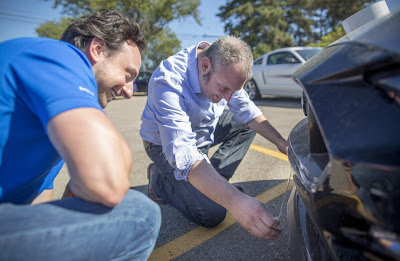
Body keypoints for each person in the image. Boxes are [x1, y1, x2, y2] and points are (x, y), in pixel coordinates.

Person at [0, 10, 161, 260]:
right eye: (127, 74)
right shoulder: (60, 57)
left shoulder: (57, 122)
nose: (130, 91)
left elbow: (42, 209)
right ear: (97, 49)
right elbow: (109, 183)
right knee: (140, 216)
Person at [140, 35, 287, 240]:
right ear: (205, 65)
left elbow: (248, 113)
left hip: (201, 133)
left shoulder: (223, 68)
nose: (228, 98)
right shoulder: (167, 80)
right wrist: (235, 201)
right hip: (164, 144)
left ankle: (213, 182)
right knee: (212, 214)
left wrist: (283, 143)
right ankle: (158, 181)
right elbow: (183, 153)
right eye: (224, 88)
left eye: (233, 91)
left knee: (245, 125)